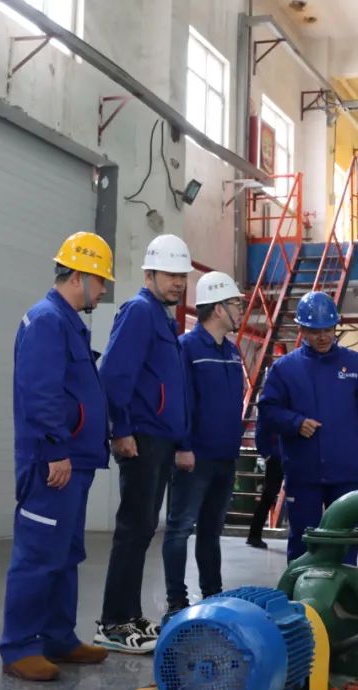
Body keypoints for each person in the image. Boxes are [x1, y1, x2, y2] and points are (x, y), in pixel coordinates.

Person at [0, 231, 115, 681]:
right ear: (79, 276)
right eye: (100, 281)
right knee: (38, 555)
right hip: (53, 463)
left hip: (75, 461)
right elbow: (41, 392)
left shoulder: (68, 322)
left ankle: (58, 637)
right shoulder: (47, 320)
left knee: (66, 554)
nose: (103, 291)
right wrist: (55, 451)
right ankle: (19, 647)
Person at [94, 234, 193, 653]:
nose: (178, 283)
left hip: (159, 439)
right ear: (149, 273)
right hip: (142, 438)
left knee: (143, 530)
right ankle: (113, 622)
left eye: (182, 276)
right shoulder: (139, 311)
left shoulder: (161, 317)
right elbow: (114, 375)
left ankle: (130, 614)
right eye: (170, 274)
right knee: (133, 529)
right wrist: (120, 429)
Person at [257, 291, 358, 563]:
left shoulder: (356, 365)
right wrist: (295, 423)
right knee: (303, 541)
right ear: (302, 330)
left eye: (328, 329)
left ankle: (345, 588)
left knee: (346, 539)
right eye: (315, 331)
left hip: (347, 471)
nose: (323, 337)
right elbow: (268, 409)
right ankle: (301, 589)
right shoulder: (285, 369)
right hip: (303, 471)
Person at [162, 271, 245, 622]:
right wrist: (183, 446)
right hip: (194, 457)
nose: (240, 310)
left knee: (211, 531)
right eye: (236, 304)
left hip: (225, 457)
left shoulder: (232, 351)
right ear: (218, 309)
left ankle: (213, 594)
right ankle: (176, 601)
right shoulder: (187, 348)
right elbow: (181, 401)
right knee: (180, 528)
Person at [246, 410, 283, 550]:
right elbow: (260, 432)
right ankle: (254, 535)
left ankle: (254, 536)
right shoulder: (270, 407)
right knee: (269, 496)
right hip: (277, 458)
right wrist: (267, 455)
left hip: (281, 456)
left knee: (268, 496)